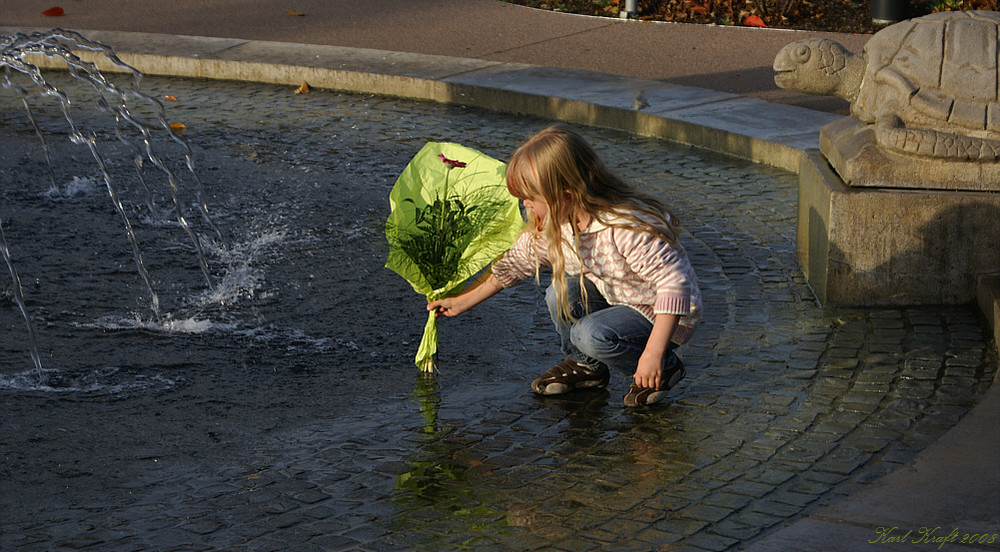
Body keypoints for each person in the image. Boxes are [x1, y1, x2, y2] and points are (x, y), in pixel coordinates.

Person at [427, 125, 701, 407]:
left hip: (662, 314)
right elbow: (516, 264)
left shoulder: (624, 226)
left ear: (566, 195)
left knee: (588, 333)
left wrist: (654, 353)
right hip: (620, 298)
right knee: (560, 292)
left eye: (531, 198)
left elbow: (674, 284)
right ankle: (587, 367)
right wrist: (463, 301)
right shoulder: (558, 224)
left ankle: (665, 367)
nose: (525, 205)